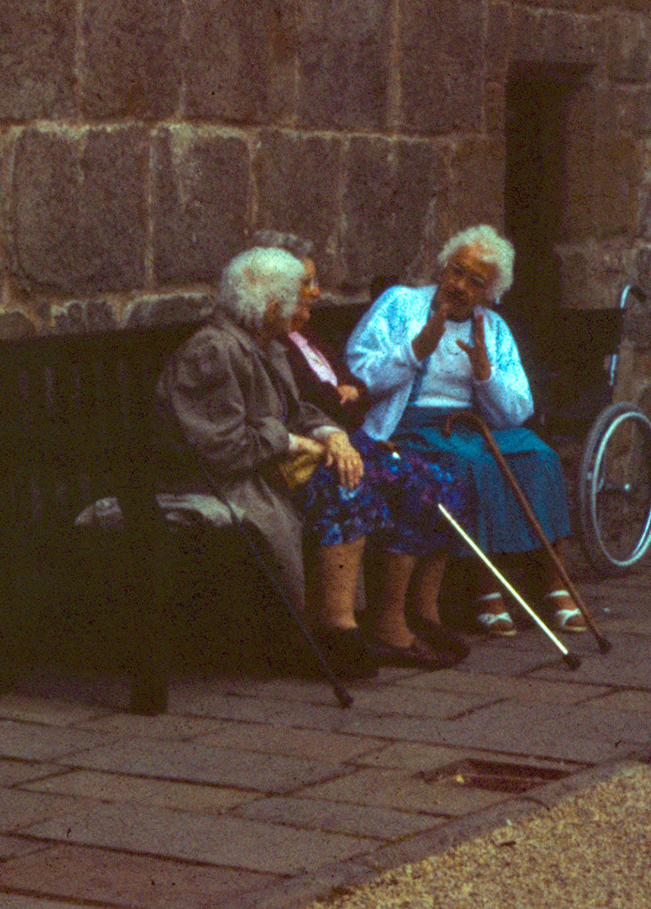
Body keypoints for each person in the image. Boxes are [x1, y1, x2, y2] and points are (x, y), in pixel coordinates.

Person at [155, 247, 464, 679]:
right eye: (295, 294)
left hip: (265, 467)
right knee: (345, 484)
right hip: (229, 479)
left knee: (388, 474)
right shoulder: (214, 350)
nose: (306, 302)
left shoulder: (264, 343)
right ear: (267, 302)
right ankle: (334, 627)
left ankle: (357, 624)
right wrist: (293, 442)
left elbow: (296, 410)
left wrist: (331, 435)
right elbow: (221, 447)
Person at [345, 225, 583, 637]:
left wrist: (485, 373)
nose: (459, 285)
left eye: (475, 282)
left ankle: (555, 581)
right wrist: (417, 348)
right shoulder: (400, 304)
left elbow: (517, 411)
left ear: (490, 293)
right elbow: (358, 369)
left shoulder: (492, 328)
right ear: (443, 267)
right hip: (407, 428)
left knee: (539, 455)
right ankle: (485, 588)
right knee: (470, 463)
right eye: (456, 271)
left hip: (470, 425)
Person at [251, 231, 471, 662]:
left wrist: (349, 400)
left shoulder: (305, 338)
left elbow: (351, 390)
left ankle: (417, 613)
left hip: (346, 437)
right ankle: (364, 624)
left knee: (441, 479)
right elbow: (314, 402)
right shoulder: (273, 343)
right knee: (388, 482)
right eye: (306, 283)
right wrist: (344, 405)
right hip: (317, 449)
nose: (316, 292)